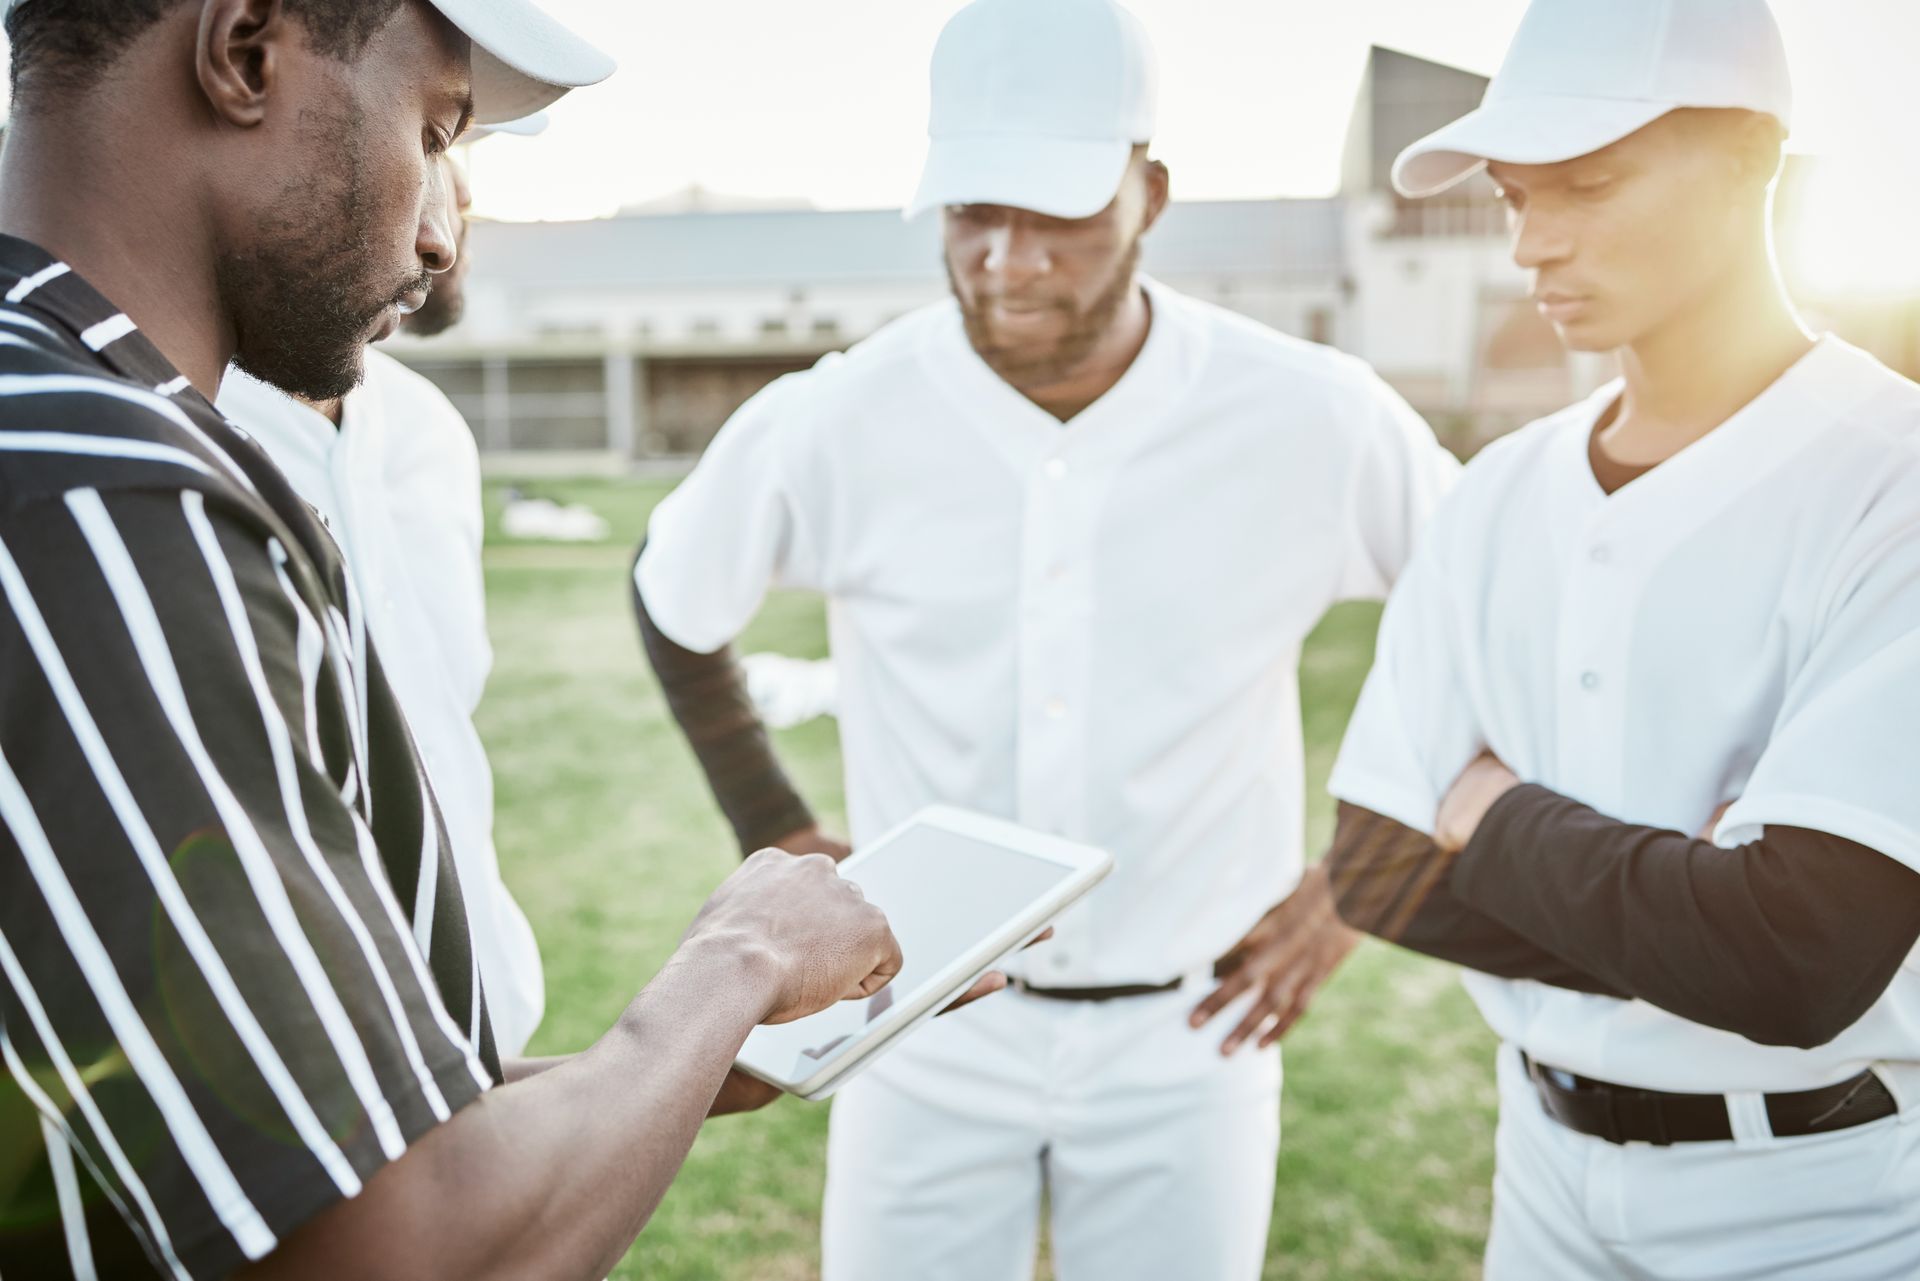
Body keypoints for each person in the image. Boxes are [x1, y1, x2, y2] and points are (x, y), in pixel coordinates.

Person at [0, 3, 923, 1278]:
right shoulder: (101, 492)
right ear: (247, 48)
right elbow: (389, 1251)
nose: (440, 232)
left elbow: (202, 1098)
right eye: (433, 130)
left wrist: (652, 1069)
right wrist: (737, 963)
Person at [632, 1, 1459, 1276]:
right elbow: (674, 594)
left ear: (1151, 192)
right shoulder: (839, 416)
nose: (1008, 258)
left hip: (1196, 1032)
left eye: (1057, 210)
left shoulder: (1315, 414)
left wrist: (1372, 873)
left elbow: (1485, 617)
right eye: (971, 209)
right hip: (916, 1027)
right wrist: (776, 823)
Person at [1322, 1, 1920, 1276]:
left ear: (1753, 157)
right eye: (1513, 194)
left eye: (1586, 185)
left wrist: (1487, 818)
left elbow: (1796, 963)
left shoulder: (1896, 485)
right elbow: (1371, 870)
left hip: (1833, 1205)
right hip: (1539, 1181)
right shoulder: (1493, 489)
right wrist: (1693, 909)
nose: (1534, 243)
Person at [216, 123, 544, 1055]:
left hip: (487, 1041)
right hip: (308, 1079)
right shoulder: (175, 430)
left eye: (466, 150)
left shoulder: (429, 428)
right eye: (430, 132)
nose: (447, 218)